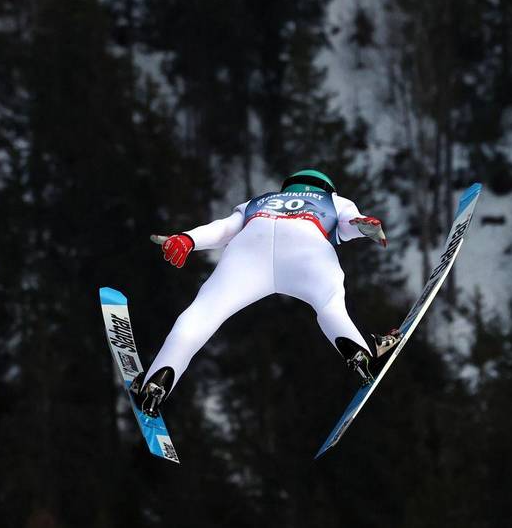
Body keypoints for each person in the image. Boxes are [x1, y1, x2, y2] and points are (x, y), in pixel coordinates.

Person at [131, 169, 398, 416]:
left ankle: (156, 383)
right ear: (328, 188)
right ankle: (361, 353)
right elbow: (350, 225)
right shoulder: (334, 201)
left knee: (203, 314)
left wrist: (188, 239)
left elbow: (223, 229)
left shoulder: (259, 201)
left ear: (287, 187)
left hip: (249, 249)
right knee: (330, 305)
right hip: (307, 247)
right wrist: (364, 226)